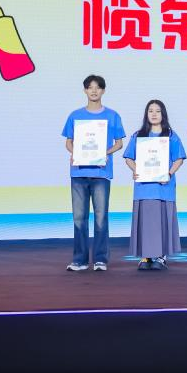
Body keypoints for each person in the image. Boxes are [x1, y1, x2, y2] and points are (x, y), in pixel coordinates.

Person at [61, 75, 125, 272]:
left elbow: (119, 143)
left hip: (101, 173)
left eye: (97, 87)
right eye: (90, 87)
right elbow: (68, 142)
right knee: (79, 218)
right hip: (78, 173)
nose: (94, 91)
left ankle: (100, 259)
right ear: (85, 91)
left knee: (100, 218)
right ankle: (79, 260)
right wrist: (75, 153)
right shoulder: (75, 115)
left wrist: (104, 153)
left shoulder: (112, 116)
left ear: (103, 91)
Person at [124, 100, 186, 270]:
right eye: (150, 111)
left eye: (157, 111)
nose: (154, 114)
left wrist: (169, 174)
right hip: (143, 188)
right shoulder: (138, 135)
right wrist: (136, 169)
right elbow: (129, 158)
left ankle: (160, 256)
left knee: (161, 222)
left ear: (163, 114)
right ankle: (145, 256)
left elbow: (179, 159)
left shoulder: (170, 135)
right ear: (146, 114)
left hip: (163, 188)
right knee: (145, 222)